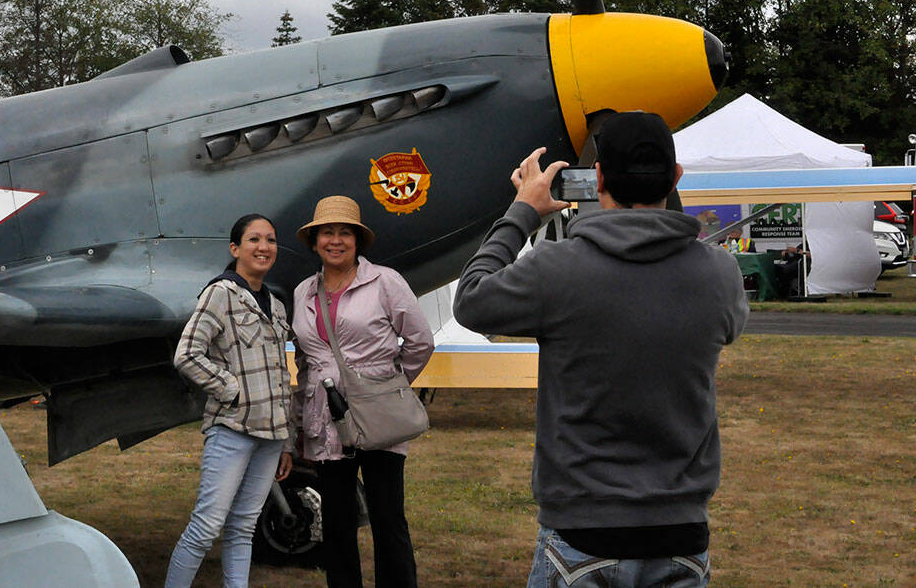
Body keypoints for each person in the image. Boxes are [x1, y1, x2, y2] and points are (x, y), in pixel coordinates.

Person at [453, 112, 748, 588]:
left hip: (582, 529)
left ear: (598, 179)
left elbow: (471, 299)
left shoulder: (558, 268)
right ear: (675, 178)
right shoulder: (718, 274)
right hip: (680, 529)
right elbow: (727, 326)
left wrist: (522, 211)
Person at [290, 195, 434, 588]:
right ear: (314, 240)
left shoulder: (385, 281)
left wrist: (389, 386)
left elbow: (420, 342)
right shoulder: (303, 291)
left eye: (344, 233)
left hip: (377, 416)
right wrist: (300, 422)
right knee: (336, 523)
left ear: (357, 241)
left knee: (388, 519)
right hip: (325, 419)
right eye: (327, 233)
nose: (335, 241)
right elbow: (306, 361)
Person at [167, 213, 296, 588]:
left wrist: (286, 439)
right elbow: (187, 354)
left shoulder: (275, 304)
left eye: (270, 240)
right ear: (235, 248)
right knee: (205, 527)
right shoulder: (220, 293)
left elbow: (279, 374)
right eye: (254, 240)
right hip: (233, 431)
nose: (264, 247)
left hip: (271, 437)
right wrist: (231, 390)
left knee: (243, 527)